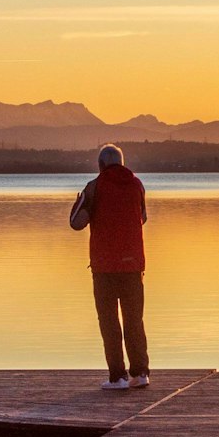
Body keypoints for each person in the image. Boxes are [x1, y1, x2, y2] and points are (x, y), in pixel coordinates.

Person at [69, 144, 149, 391]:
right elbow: (143, 218)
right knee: (134, 319)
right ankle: (141, 373)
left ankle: (118, 377)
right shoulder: (137, 185)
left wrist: (82, 202)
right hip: (133, 265)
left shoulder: (94, 187)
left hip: (105, 267)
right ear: (122, 163)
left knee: (109, 321)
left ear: (101, 165)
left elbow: (76, 223)